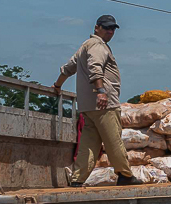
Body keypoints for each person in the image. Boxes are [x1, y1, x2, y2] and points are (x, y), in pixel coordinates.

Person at [53, 15, 142, 186]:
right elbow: (95, 67)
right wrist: (101, 92)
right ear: (96, 28)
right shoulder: (98, 45)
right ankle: (125, 175)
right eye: (107, 28)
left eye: (113, 29)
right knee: (113, 139)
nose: (110, 32)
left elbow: (68, 68)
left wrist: (57, 85)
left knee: (88, 144)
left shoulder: (84, 47)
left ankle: (77, 179)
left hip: (88, 106)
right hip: (104, 104)